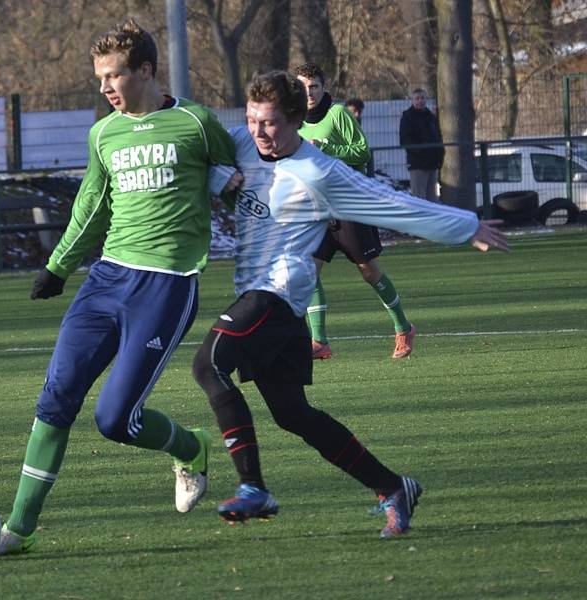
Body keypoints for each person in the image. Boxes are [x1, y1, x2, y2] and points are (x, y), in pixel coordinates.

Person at [193, 70, 508, 538]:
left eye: (272, 123)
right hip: (265, 300)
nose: (260, 132)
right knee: (292, 414)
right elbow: (188, 138)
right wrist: (215, 170)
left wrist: (463, 226)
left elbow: (390, 202)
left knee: (208, 365)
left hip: (279, 292)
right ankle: (394, 487)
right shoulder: (240, 142)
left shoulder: (320, 171)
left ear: (298, 120)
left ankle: (253, 486)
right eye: (253, 120)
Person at [0, 18, 237, 555]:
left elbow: (239, 178)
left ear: (146, 70)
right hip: (105, 280)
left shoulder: (195, 122)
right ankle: (19, 530)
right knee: (56, 397)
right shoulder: (103, 133)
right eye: (99, 77)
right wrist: (58, 266)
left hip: (167, 285)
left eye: (114, 75)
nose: (104, 87)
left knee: (115, 419)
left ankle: (191, 447)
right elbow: (90, 207)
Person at [294, 63, 415, 360]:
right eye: (304, 87)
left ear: (324, 88)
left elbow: (362, 152)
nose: (309, 93)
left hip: (349, 204)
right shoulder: (293, 120)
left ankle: (403, 327)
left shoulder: (337, 115)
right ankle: (319, 342)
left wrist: (327, 149)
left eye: (315, 86)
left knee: (368, 270)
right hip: (317, 209)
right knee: (308, 270)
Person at [399, 88, 444, 202]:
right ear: (412, 100)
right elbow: (405, 140)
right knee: (420, 200)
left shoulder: (431, 117)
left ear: (426, 99)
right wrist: (422, 153)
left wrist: (439, 155)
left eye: (422, 98)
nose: (420, 101)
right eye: (417, 98)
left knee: (433, 199)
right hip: (418, 165)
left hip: (433, 164)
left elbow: (438, 137)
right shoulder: (408, 117)